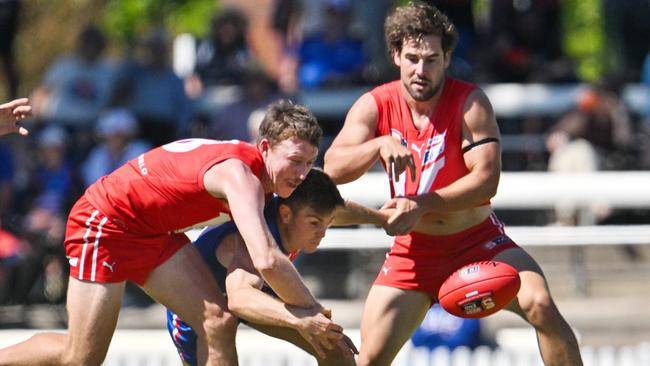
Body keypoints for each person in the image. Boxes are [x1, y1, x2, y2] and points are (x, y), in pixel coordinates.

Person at [323, 3, 583, 365]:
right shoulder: (375, 105)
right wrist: (377, 144)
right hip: (412, 253)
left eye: (431, 59)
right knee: (368, 360)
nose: (421, 69)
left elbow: (486, 181)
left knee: (541, 305)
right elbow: (332, 167)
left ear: (446, 58)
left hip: (477, 242)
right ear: (395, 55)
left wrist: (423, 204)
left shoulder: (469, 102)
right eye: (412, 57)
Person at [0, 100, 344, 366]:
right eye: (295, 161)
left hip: (150, 232)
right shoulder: (243, 179)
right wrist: (312, 313)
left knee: (217, 322)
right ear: (266, 148)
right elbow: (267, 259)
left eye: (310, 162)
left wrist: (380, 217)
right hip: (104, 223)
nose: (302, 173)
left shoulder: (263, 175)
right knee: (80, 357)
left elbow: (330, 203)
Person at [166, 168, 356, 365]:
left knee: (334, 348)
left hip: (251, 287)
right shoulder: (254, 236)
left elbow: (340, 210)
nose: (322, 233)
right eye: (315, 223)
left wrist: (380, 217)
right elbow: (239, 299)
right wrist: (301, 318)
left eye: (329, 223)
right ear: (286, 214)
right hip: (200, 308)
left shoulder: (293, 212)